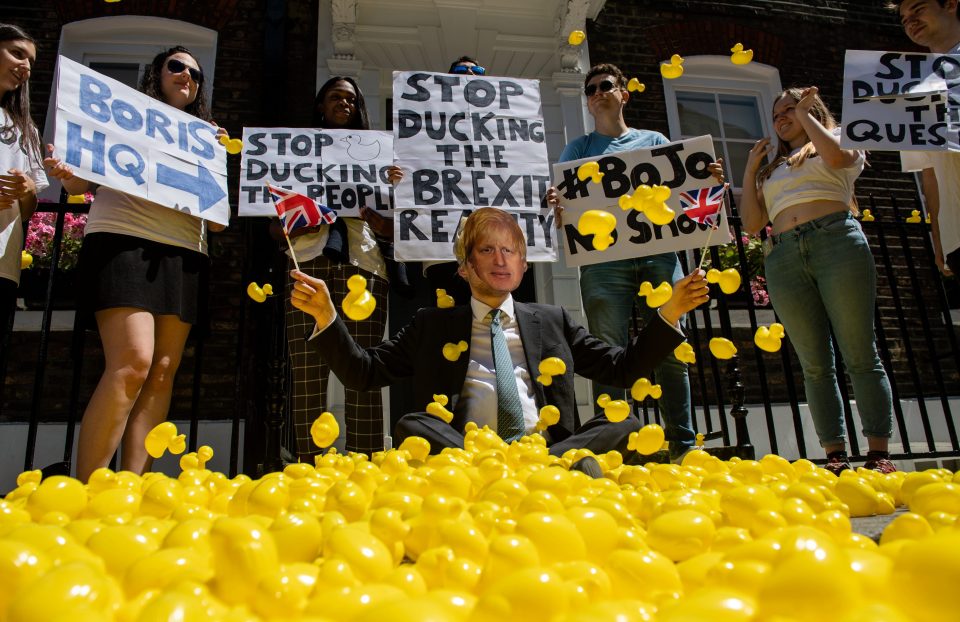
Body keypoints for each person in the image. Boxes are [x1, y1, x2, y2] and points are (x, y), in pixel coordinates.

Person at [290, 207, 710, 467]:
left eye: (510, 251)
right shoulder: (431, 324)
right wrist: (327, 315)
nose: (501, 259)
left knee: (626, 421)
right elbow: (364, 373)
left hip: (546, 447)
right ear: (465, 267)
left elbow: (624, 368)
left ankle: (546, 465)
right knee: (413, 425)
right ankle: (543, 470)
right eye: (487, 250)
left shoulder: (553, 320)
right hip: (466, 456)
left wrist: (670, 311)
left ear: (524, 266)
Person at [44, 46, 226, 482]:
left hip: (184, 250)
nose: (187, 76)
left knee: (162, 374)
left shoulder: (205, 135)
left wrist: (216, 158)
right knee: (133, 363)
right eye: (176, 66)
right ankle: (89, 487)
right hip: (122, 240)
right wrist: (64, 170)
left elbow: (217, 224)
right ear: (156, 73)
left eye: (196, 74)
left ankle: (135, 485)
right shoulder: (117, 119)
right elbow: (78, 182)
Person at [545, 63, 724, 462]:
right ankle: (615, 449)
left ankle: (681, 447)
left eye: (604, 85)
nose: (595, 93)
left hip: (660, 257)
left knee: (669, 349)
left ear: (623, 93)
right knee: (608, 355)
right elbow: (566, 206)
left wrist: (706, 177)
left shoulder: (653, 139)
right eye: (589, 89)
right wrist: (558, 206)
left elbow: (684, 194)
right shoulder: (579, 149)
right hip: (604, 265)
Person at [740, 86, 896, 474]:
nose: (781, 117)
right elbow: (753, 223)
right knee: (814, 363)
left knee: (860, 353)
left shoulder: (840, 137)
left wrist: (810, 118)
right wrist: (750, 168)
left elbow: (839, 158)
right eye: (777, 113)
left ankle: (878, 454)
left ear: (812, 109)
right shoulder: (772, 167)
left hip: (836, 240)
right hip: (785, 254)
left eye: (790, 109)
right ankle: (834, 455)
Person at [279, 76, 402, 460]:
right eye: (336, 97)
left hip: (364, 264)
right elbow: (271, 223)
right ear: (321, 105)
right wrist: (302, 218)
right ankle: (307, 465)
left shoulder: (379, 158)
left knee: (363, 368)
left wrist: (396, 193)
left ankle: (365, 460)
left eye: (351, 99)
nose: (344, 104)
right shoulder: (292, 154)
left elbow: (404, 221)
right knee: (308, 370)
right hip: (309, 259)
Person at [891, 0, 960, 275]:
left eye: (918, 9)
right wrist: (939, 237)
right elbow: (928, 174)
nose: (910, 21)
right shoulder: (915, 91)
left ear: (951, 4)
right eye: (904, 19)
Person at [420, 56, 488, 308]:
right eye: (462, 70)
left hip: (488, 246)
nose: (470, 74)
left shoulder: (503, 124)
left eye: (477, 70)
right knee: (447, 329)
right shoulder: (426, 125)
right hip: (442, 249)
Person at [0, 24, 47, 338]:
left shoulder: (25, 129)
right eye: (17, 53)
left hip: (3, 265)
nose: (25, 67)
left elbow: (28, 210)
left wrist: (29, 191)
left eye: (30, 61)